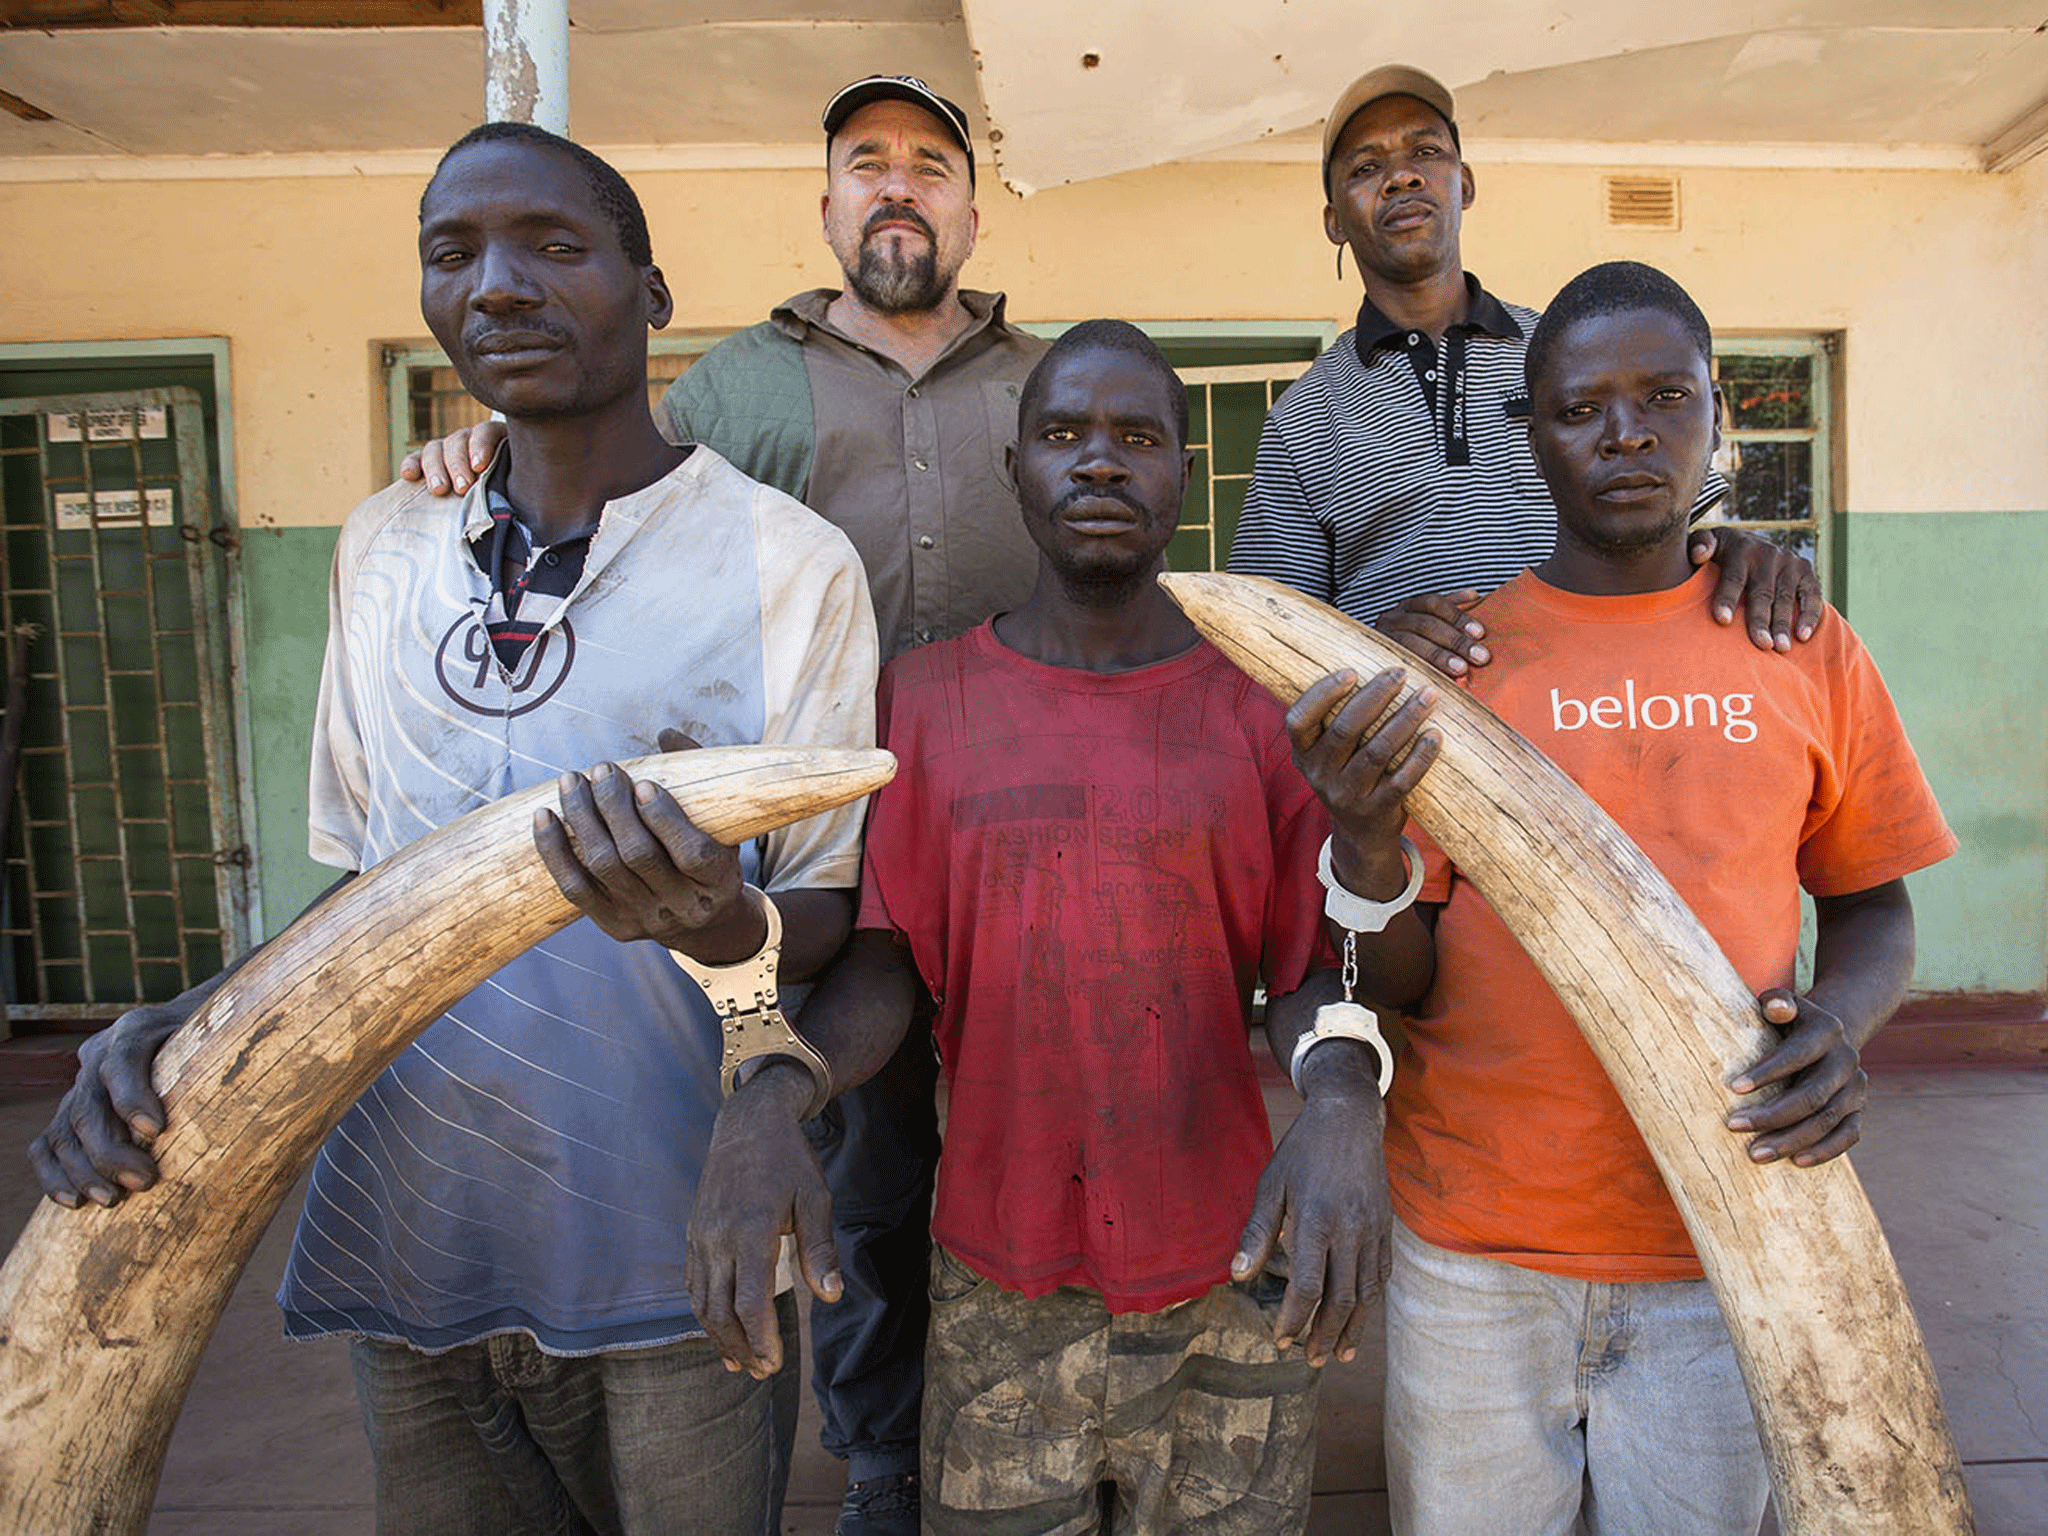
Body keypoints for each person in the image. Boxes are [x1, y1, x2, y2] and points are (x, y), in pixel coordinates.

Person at [29, 123, 878, 1536]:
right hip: (413, 1216)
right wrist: (186, 1020)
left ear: (651, 294)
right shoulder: (384, 545)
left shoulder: (787, 564)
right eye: (453, 252)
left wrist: (716, 920)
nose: (496, 286)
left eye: (553, 246)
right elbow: (371, 885)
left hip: (671, 1232)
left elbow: (831, 915)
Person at [404, 76, 1045, 1533]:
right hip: (811, 888)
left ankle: (1021, 1442)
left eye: (930, 166)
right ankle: (882, 1459)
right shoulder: (738, 385)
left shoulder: (1040, 382)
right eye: (864, 164)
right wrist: (470, 456)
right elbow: (616, 488)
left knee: (1025, 1152)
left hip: (1013, 855)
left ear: (970, 203)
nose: (898, 187)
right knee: (863, 1178)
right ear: (824, 206)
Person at [684, 321, 1395, 1535]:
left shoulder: (1257, 710)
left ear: (1182, 470)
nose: (1100, 464)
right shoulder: (919, 701)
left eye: (1137, 438)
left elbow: (1306, 973)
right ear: (1014, 469)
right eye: (1063, 435)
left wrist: (1341, 1100)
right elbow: (883, 963)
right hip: (994, 1283)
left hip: (1232, 1270)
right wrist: (770, 1093)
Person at [1285, 261, 1957, 1536]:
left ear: (1716, 415)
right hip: (1477, 1247)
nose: (1626, 433)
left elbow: (1871, 906)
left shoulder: (1799, 641)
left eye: (1664, 397)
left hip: (1721, 1237)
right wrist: (1364, 840)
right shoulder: (1453, 660)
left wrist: (1840, 1024)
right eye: (1581, 406)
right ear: (1527, 436)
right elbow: (1401, 980)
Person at [1227, 64, 1823, 674]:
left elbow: (1675, 531)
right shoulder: (1304, 413)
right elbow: (1270, 636)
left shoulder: (1571, 353)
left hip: (1608, 703)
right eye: (1366, 167)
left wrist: (1739, 549)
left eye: (1426, 152)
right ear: (1333, 220)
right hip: (1423, 750)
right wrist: (1370, 648)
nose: (1402, 176)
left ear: (1464, 183)